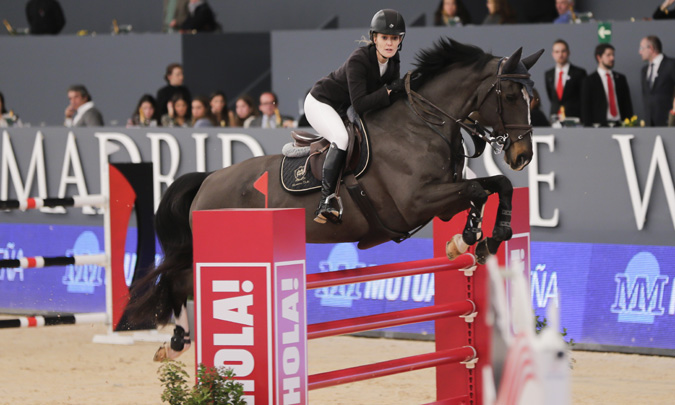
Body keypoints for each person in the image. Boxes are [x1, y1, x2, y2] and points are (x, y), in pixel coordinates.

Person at [304, 9, 406, 224]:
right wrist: (389, 91)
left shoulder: (393, 60)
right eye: (385, 38)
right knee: (341, 139)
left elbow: (385, 102)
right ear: (374, 38)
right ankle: (326, 200)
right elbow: (360, 104)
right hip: (321, 102)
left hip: (344, 107)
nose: (389, 43)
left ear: (400, 41)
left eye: (394, 38)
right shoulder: (359, 59)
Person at [581, 44, 633, 127]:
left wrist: (629, 123)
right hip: (599, 126)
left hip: (620, 124)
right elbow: (585, 107)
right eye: (608, 55)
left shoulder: (620, 78)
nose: (612, 58)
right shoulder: (589, 80)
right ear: (599, 57)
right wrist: (588, 128)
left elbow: (627, 105)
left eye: (613, 55)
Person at [544, 39, 587, 120]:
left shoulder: (579, 73)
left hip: (575, 117)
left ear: (568, 52)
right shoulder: (548, 74)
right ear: (553, 54)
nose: (560, 55)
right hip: (555, 117)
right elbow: (551, 96)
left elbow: (584, 98)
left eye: (563, 51)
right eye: (557, 52)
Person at [639, 36, 675, 127]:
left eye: (642, 48)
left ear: (651, 48)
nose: (640, 52)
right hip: (650, 125)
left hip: (670, 122)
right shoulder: (644, 70)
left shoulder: (671, 65)